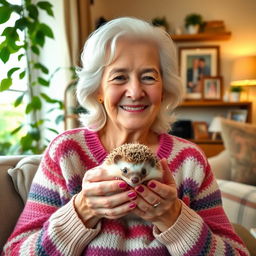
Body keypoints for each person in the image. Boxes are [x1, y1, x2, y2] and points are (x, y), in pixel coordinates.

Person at [3, 17, 249, 256]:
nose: (135, 91)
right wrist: (82, 210)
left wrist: (175, 219)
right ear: (98, 90)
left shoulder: (190, 161)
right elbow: (15, 252)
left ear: (164, 89)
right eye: (119, 77)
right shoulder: (66, 153)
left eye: (149, 77)